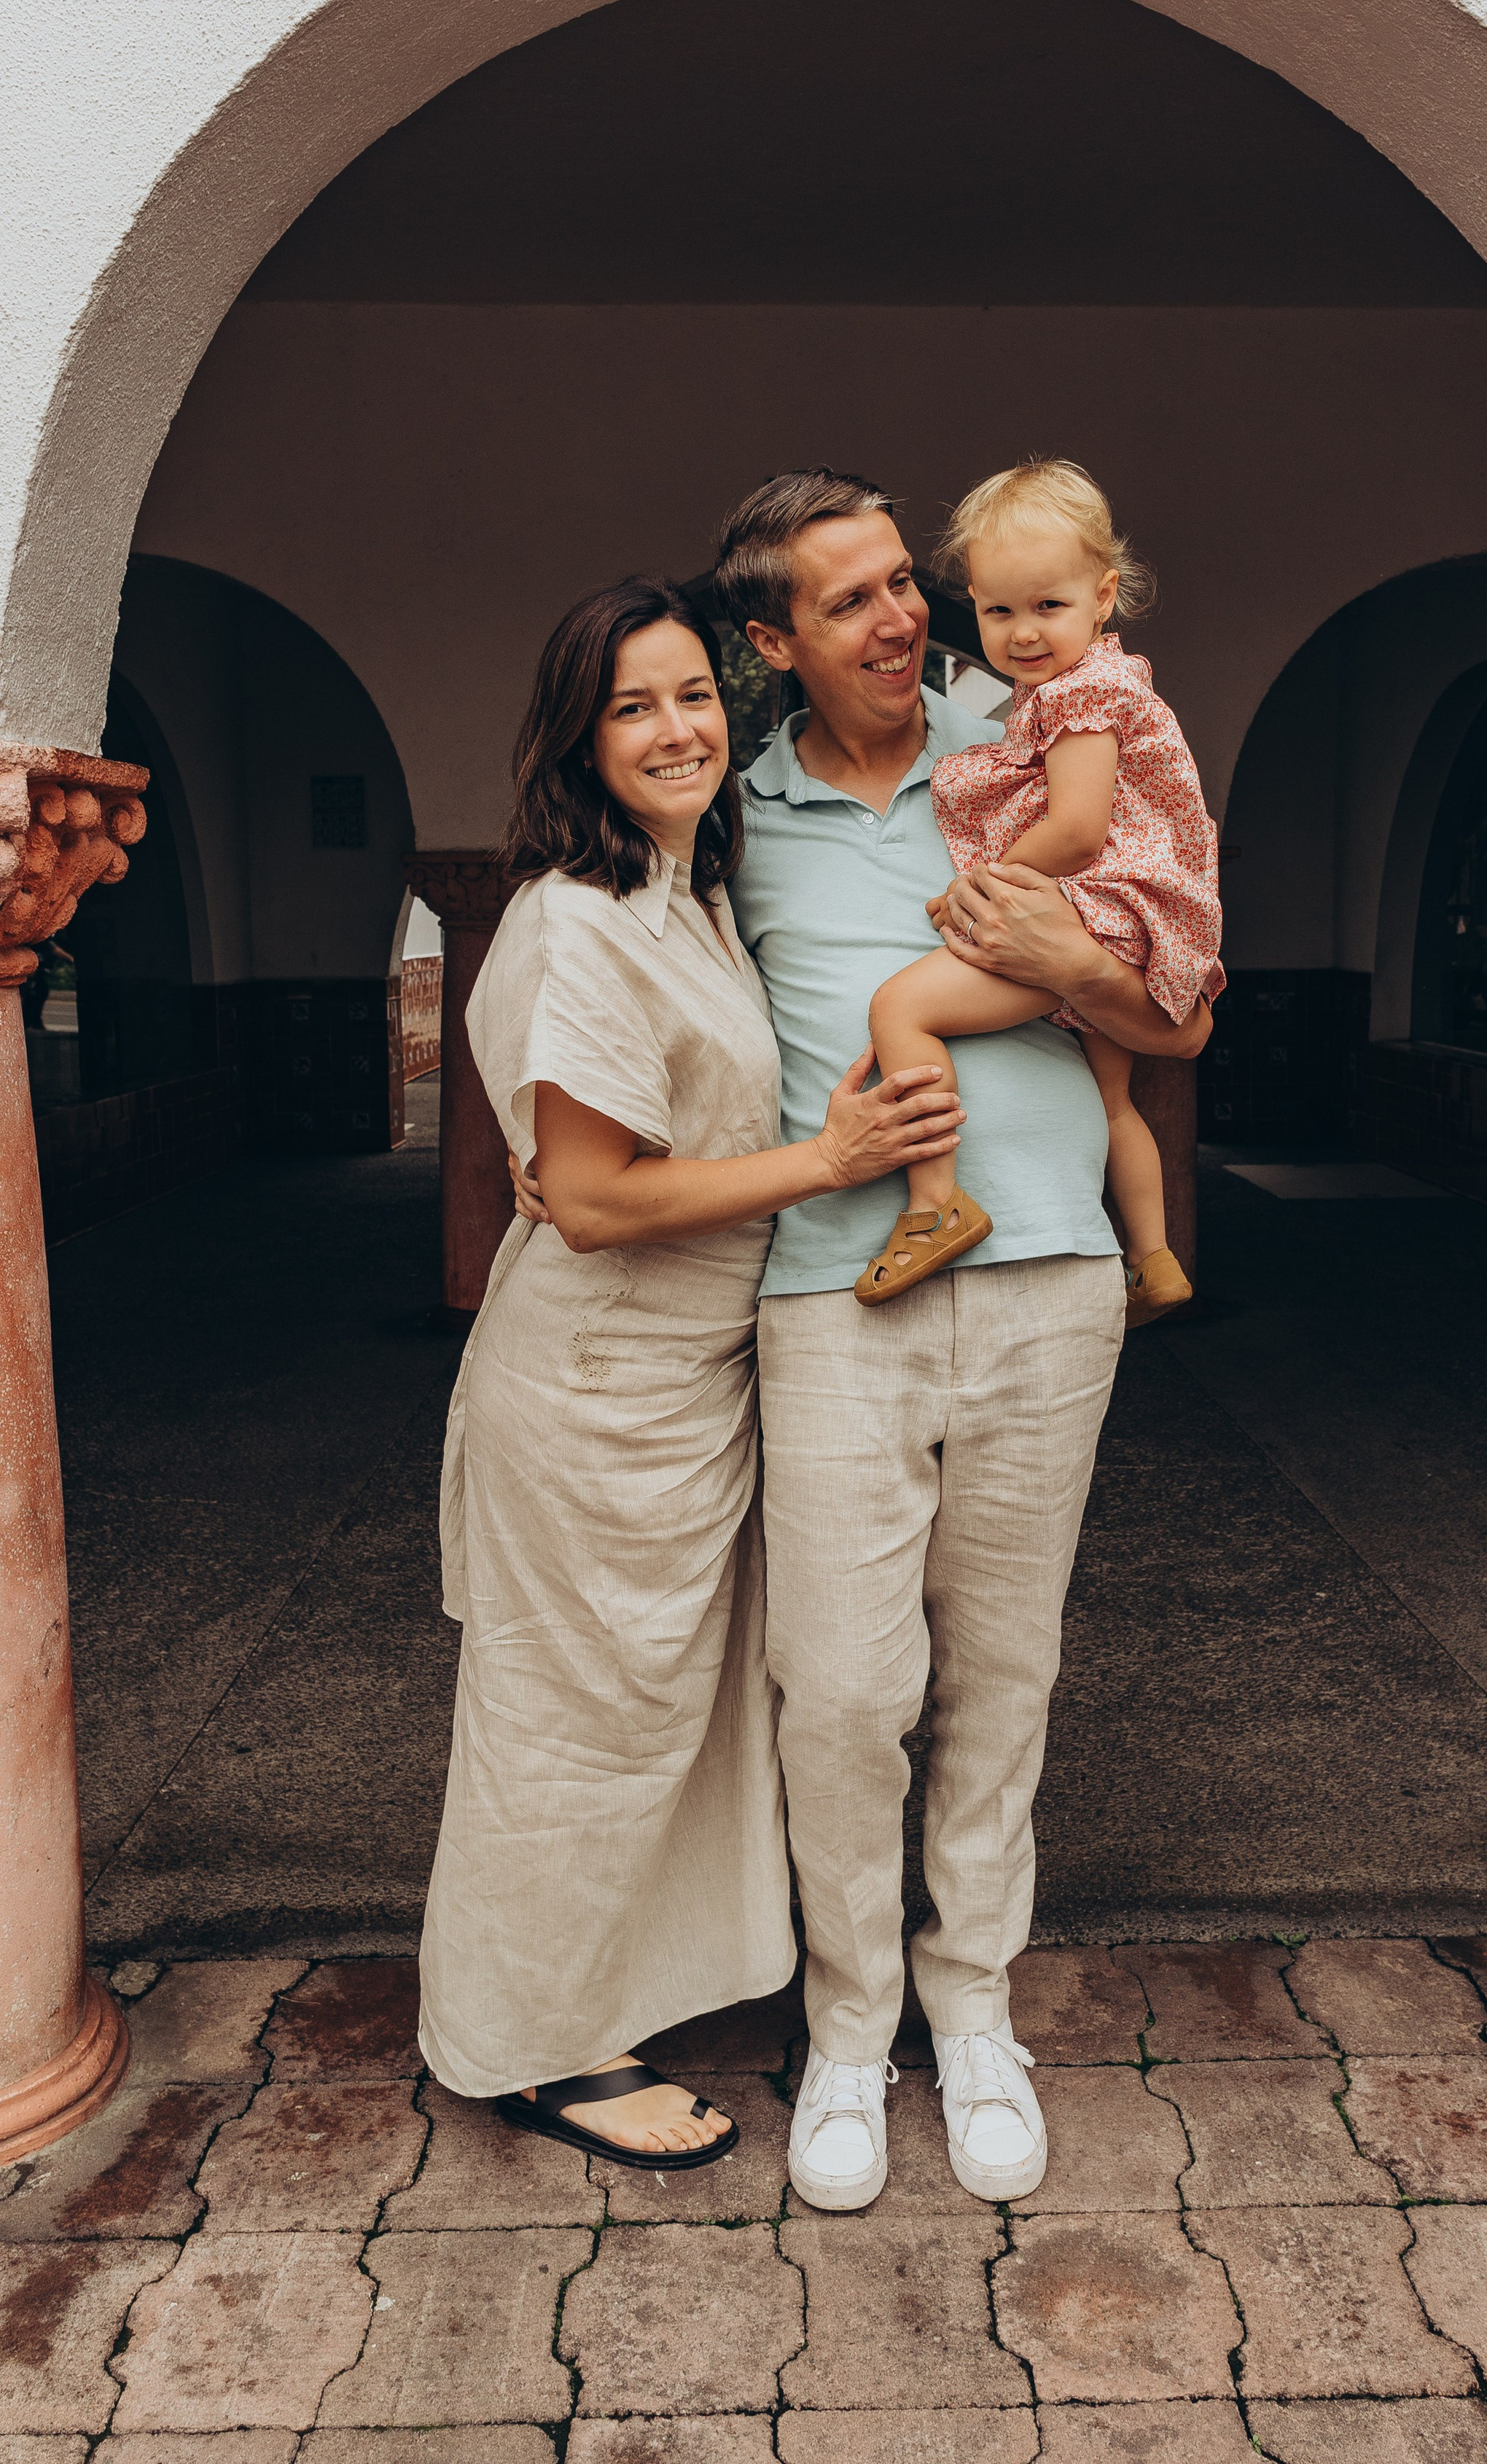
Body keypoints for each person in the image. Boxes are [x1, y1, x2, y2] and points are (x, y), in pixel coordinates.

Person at [417, 574, 963, 2169]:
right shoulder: (573, 918)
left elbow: (603, 1153)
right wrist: (832, 1158)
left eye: (693, 696)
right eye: (632, 705)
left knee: (656, 1719)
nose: (675, 729)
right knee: (570, 1723)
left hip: (684, 1384)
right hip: (592, 1393)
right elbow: (588, 1204)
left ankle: (619, 1987)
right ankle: (539, 2047)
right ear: (576, 740)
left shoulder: (681, 892)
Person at [719, 470, 1212, 2210]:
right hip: (829, 1294)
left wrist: (1057, 955)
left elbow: (1180, 1006)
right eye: (846, 598)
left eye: (897, 584)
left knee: (1002, 1672)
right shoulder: (732, 810)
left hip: (1052, 1278)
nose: (897, 616)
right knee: (845, 1688)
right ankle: (848, 2025)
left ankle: (970, 2002)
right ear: (772, 642)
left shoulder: (1015, 749)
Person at [861, 458, 1224, 1326]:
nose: (1022, 632)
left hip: (1096, 912)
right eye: (998, 610)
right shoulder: (1081, 685)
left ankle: (933, 1205)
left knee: (900, 1010)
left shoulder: (1081, 692)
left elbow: (1076, 829)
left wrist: (975, 887)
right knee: (1110, 1101)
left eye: (1048, 606)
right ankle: (1154, 1257)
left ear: (1103, 598)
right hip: (1124, 920)